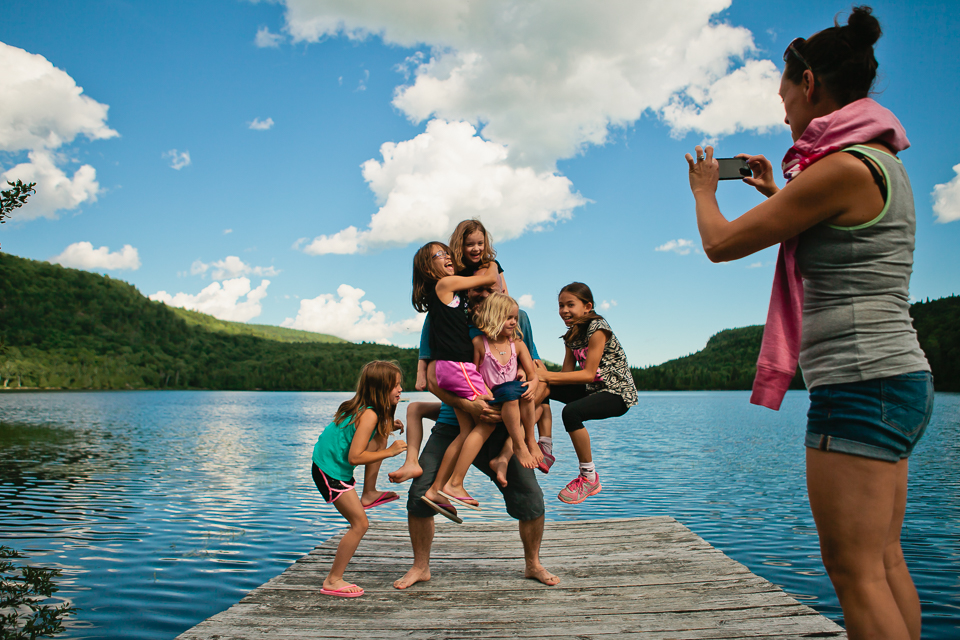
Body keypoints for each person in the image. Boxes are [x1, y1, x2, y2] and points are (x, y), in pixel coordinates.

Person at [684, 7, 932, 640]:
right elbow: (829, 233)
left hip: (858, 385)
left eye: (785, 92)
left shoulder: (842, 168)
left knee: (854, 573)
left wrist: (705, 191)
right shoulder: (877, 164)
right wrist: (776, 192)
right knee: (882, 561)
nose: (784, 107)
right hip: (894, 379)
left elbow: (720, 246)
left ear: (811, 82)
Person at [410, 241, 507, 516]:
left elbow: (495, 291)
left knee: (466, 432)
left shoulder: (453, 294)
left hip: (451, 369)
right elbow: (489, 278)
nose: (448, 257)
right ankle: (455, 483)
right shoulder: (444, 286)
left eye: (447, 252)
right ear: (429, 268)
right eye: (439, 256)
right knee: (489, 414)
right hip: (457, 366)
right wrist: (491, 262)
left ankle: (435, 489)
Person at [310, 361, 408, 597]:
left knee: (383, 434)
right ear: (380, 388)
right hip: (329, 471)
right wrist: (391, 451)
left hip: (330, 466)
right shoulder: (370, 415)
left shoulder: (367, 410)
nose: (400, 390)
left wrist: (387, 426)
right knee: (360, 524)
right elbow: (355, 457)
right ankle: (333, 580)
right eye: (395, 386)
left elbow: (359, 435)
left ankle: (369, 492)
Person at [534, 282, 638, 504]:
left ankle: (589, 477)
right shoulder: (571, 335)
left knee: (571, 413)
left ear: (587, 306)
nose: (564, 311)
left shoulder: (598, 328)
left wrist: (544, 375)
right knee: (546, 388)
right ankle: (545, 448)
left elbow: (588, 373)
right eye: (561, 306)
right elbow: (566, 374)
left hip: (617, 393)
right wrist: (544, 377)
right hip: (593, 389)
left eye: (570, 305)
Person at [439, 292, 541, 509]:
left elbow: (533, 376)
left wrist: (532, 384)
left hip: (511, 395)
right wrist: (486, 394)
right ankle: (456, 480)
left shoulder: (518, 344)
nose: (514, 321)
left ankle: (529, 441)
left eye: (514, 317)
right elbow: (473, 373)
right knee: (487, 423)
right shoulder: (479, 343)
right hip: (491, 397)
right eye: (508, 318)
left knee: (522, 396)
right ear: (493, 318)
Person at [449, 218, 508, 294]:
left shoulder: (492, 265)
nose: (476, 249)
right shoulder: (455, 269)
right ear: (460, 246)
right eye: (470, 245)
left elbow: (505, 294)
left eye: (480, 243)